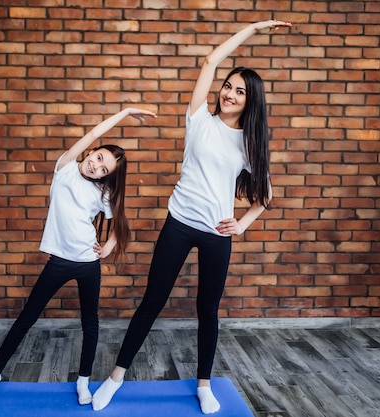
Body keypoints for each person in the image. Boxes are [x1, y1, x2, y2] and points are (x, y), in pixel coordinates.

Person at [91, 20, 292, 414]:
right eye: (229, 86)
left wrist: (243, 223)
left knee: (207, 310)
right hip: (179, 224)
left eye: (241, 92)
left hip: (217, 233)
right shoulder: (198, 118)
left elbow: (265, 194)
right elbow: (211, 59)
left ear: (252, 102)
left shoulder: (248, 143)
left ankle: (203, 384)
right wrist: (253, 27)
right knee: (152, 301)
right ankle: (115, 378)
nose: (231, 94)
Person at [0, 107, 157, 406]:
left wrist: (110, 246)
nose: (96, 167)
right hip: (59, 261)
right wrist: (124, 111)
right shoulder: (64, 168)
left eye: (104, 170)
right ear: (93, 150)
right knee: (27, 318)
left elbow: (120, 226)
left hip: (88, 263)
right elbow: (92, 133)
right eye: (98, 158)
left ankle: (83, 382)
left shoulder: (102, 193)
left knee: (90, 324)